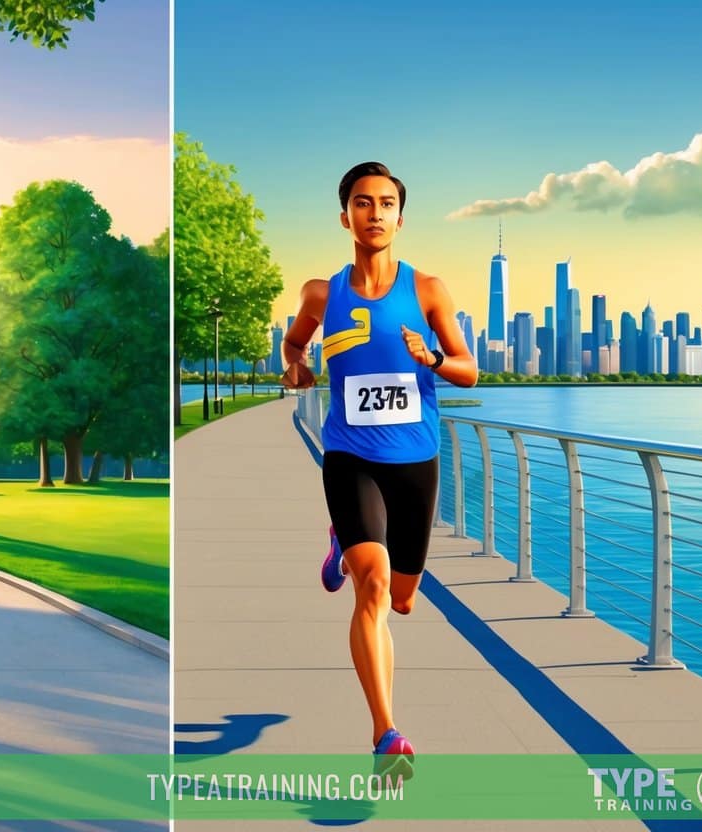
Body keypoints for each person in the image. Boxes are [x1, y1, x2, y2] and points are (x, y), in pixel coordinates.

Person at [281, 162, 477, 779]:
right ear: (346, 217)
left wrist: (435, 356)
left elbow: (470, 369)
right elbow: (294, 344)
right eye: (363, 203)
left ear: (400, 216)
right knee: (371, 589)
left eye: (387, 203)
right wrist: (297, 366)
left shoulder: (428, 291)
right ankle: (385, 732)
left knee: (404, 598)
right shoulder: (321, 293)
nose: (375, 213)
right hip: (349, 456)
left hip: (414, 461)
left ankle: (343, 541)